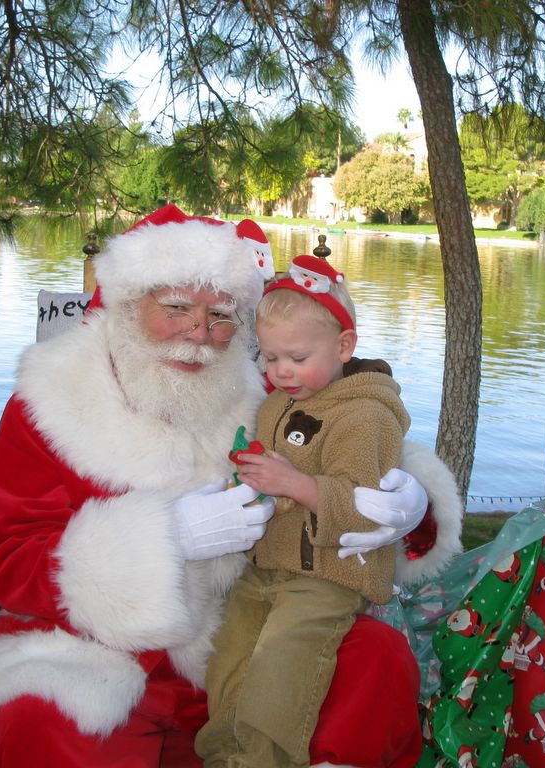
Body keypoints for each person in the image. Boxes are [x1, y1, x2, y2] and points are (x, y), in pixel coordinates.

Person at [0, 204, 464, 768]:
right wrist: (162, 542)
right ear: (126, 305)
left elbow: (345, 432)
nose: (200, 332)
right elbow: (6, 558)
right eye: (175, 308)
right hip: (93, 651)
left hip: (245, 633)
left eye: (221, 315)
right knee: (38, 722)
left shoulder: (264, 387)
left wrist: (411, 504)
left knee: (376, 658)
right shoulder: (51, 402)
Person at [197, 255, 411, 767]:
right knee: (228, 662)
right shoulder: (279, 403)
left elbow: (367, 510)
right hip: (266, 567)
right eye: (269, 358)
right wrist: (250, 473)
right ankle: (223, 756)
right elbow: (278, 475)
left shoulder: (364, 415)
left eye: (295, 356)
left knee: (280, 671)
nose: (280, 372)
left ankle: (262, 760)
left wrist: (293, 484)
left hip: (325, 574)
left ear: (344, 346)